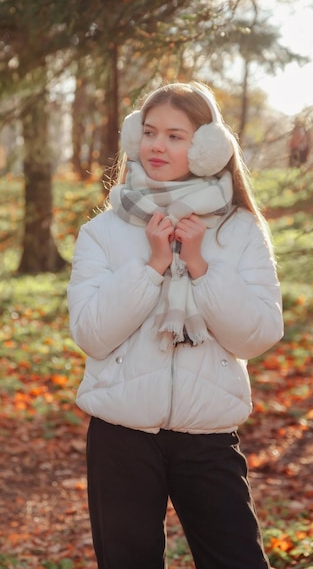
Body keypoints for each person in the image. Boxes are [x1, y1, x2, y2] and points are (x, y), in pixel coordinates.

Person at [67, 81, 283, 569]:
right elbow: (91, 334)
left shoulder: (239, 230)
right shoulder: (102, 232)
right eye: (149, 132)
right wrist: (152, 267)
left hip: (207, 434)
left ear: (207, 149)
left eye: (175, 135)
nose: (157, 146)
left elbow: (259, 334)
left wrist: (203, 268)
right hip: (120, 435)